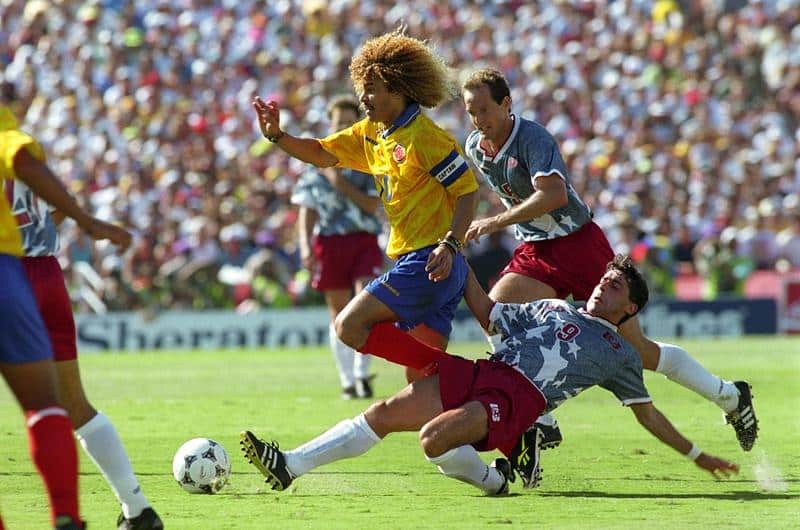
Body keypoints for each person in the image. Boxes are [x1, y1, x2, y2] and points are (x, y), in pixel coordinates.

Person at [238, 255, 739, 494]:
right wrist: (456, 255)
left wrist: (697, 455)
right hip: (485, 372)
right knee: (385, 412)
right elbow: (485, 311)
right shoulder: (551, 308)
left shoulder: (618, 353)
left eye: (615, 287)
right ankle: (290, 465)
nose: (604, 285)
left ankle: (494, 481)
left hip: (518, 400)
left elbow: (647, 416)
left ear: (628, 308)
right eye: (605, 278)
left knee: (433, 441)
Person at [459, 68, 758, 467]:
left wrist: (497, 222)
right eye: (470, 111)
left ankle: (730, 396)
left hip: (579, 245)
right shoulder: (476, 147)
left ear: (506, 103)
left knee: (641, 352)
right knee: (495, 316)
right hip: (536, 249)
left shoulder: (533, 138)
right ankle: (540, 421)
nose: (479, 119)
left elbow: (553, 194)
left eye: (484, 109)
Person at [253, 29, 479, 382]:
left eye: (372, 88)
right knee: (423, 385)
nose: (363, 96)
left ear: (399, 89)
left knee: (350, 325)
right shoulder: (371, 132)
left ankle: (458, 372)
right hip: (422, 262)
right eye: (362, 87)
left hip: (430, 260)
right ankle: (474, 409)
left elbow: (468, 192)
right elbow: (320, 152)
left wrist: (450, 244)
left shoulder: (427, 138)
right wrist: (278, 137)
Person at [1, 88, 163, 530]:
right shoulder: (22, 144)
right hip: (45, 275)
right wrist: (83, 223)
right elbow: (57, 211)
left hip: (7, 275)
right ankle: (137, 508)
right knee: (71, 404)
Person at [291, 95, 385, 399]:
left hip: (363, 239)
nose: (343, 126)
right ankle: (347, 380)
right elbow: (307, 208)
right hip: (329, 243)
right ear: (330, 125)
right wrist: (305, 246)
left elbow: (372, 205)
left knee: (365, 303)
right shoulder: (315, 159)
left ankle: (362, 374)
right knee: (338, 313)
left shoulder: (368, 157)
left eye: (349, 121)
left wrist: (338, 181)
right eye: (338, 122)